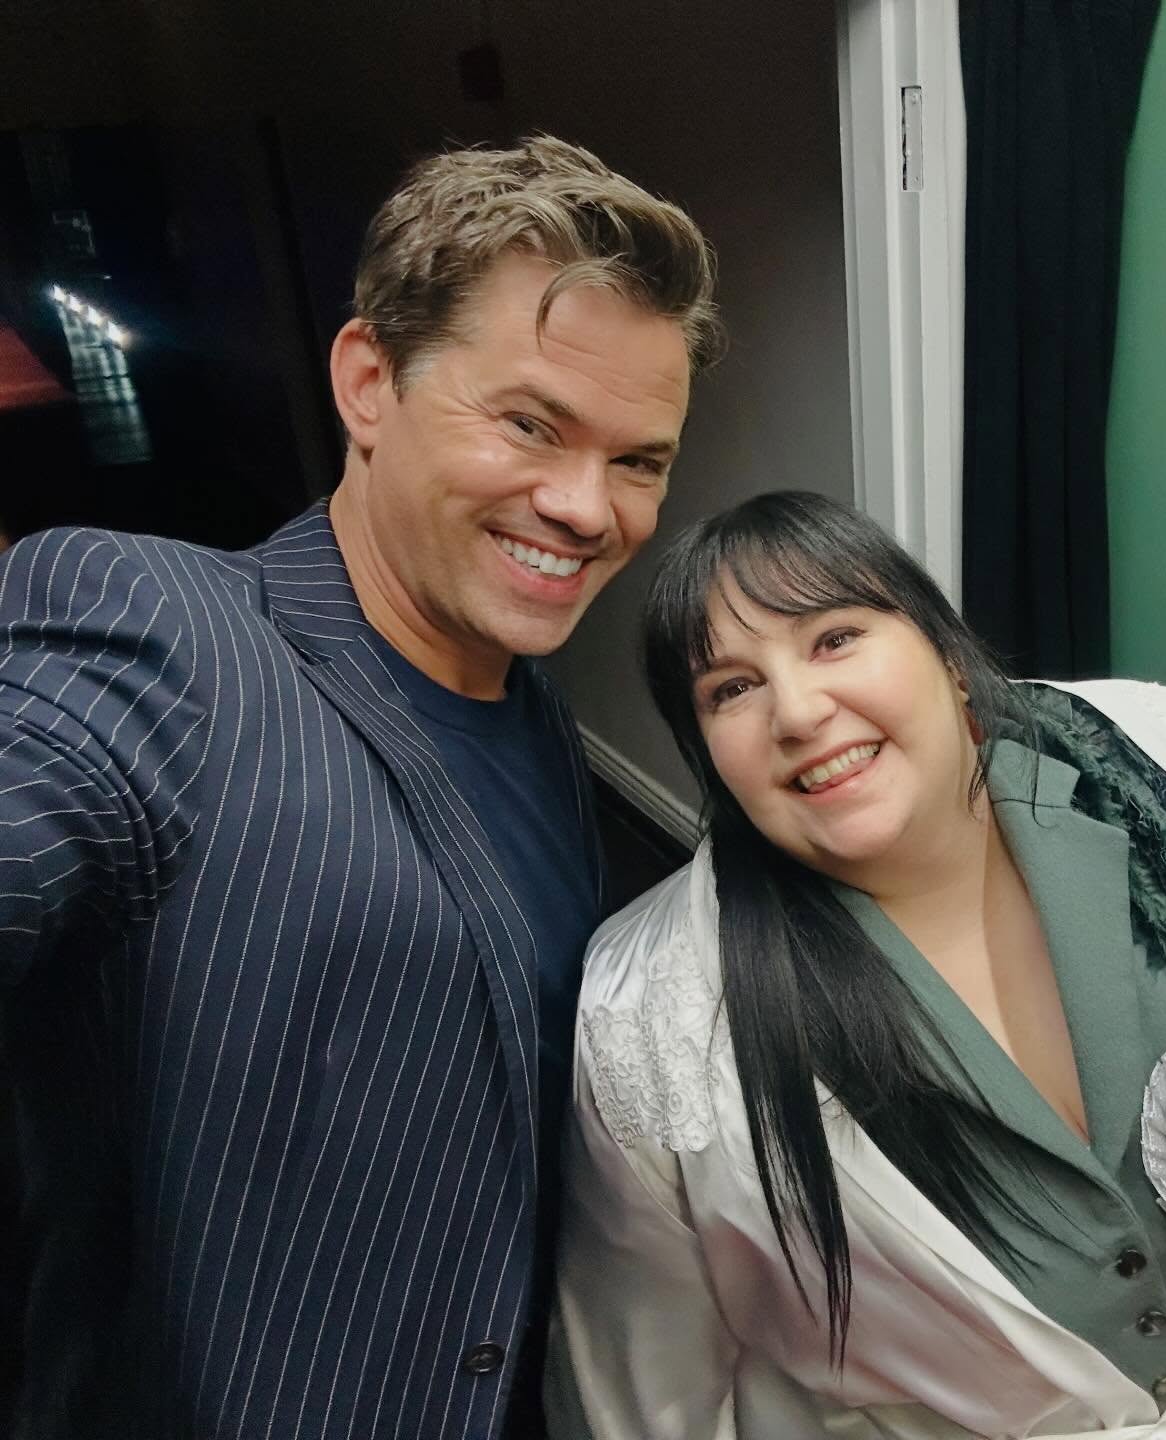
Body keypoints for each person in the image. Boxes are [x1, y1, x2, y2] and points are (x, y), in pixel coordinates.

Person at [0, 135, 720, 1439]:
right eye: (527, 423)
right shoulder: (163, 640)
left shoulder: (537, 721)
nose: (583, 504)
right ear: (368, 380)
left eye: (639, 460)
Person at [553, 491, 1166, 1440]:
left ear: (948, 656)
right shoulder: (646, 1023)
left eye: (834, 638)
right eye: (731, 689)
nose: (796, 710)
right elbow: (642, 1375)